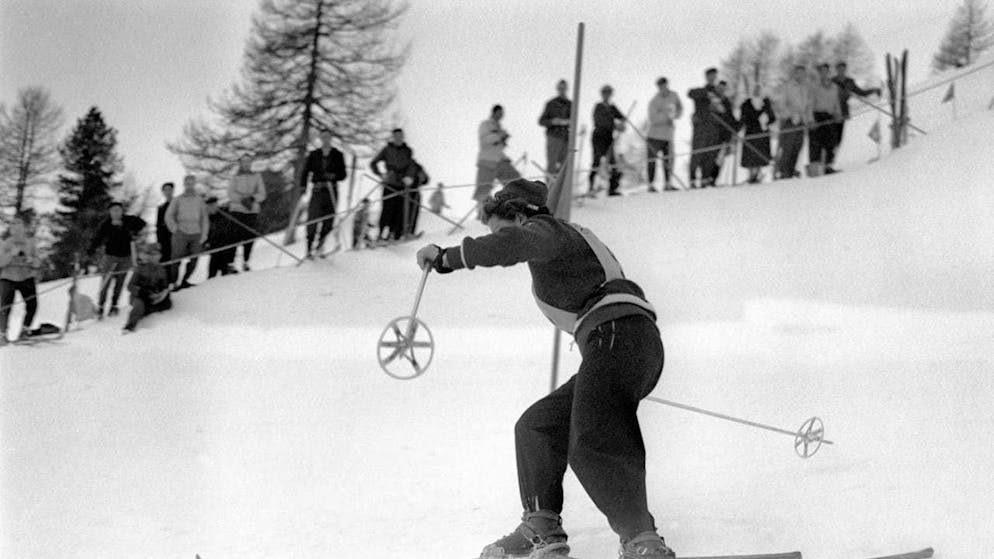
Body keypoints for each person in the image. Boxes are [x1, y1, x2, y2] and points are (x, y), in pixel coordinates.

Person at [414, 178, 673, 559]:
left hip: (618, 337)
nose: (500, 239)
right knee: (538, 424)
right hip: (621, 345)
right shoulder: (561, 239)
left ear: (519, 216)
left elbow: (517, 243)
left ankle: (641, 540)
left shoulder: (546, 230)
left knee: (593, 438)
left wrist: (448, 257)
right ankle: (541, 526)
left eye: (500, 229)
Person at [89, 201, 146, 317]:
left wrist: (133, 230)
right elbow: (97, 238)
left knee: (120, 283)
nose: (116, 213)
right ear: (110, 212)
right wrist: (91, 249)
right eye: (113, 210)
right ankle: (101, 306)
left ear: (121, 211)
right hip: (110, 256)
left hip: (126, 257)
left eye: (118, 210)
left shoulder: (128, 220)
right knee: (106, 282)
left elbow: (142, 223)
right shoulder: (106, 224)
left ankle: (114, 305)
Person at [301, 129, 347, 256]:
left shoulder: (338, 155)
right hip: (317, 191)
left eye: (328, 137)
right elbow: (305, 172)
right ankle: (309, 248)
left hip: (331, 191)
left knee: (328, 221)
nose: (325, 139)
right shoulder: (314, 154)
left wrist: (334, 176)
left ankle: (320, 246)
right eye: (323, 137)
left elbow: (343, 175)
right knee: (312, 220)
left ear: (331, 138)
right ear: (320, 139)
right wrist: (303, 187)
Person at [0, 215, 42, 344]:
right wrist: (10, 255)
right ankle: (2, 334)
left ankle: (25, 329)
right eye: (14, 228)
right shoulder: (5, 244)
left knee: (32, 304)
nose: (17, 231)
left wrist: (31, 260)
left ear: (23, 229)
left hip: (26, 277)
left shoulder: (30, 243)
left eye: (19, 228)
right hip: (9, 277)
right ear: (11, 230)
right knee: (5, 307)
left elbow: (38, 262)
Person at [475, 105, 522, 218]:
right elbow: (485, 140)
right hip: (487, 161)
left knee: (515, 181)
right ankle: (481, 215)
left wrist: (503, 138)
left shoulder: (499, 127)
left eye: (502, 113)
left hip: (500, 160)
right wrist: (500, 135)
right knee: (484, 189)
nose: (501, 115)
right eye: (499, 113)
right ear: (494, 112)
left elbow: (498, 144)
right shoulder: (485, 124)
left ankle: (513, 207)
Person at [164, 174, 209, 289]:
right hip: (181, 232)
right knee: (176, 259)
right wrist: (175, 229)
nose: (189, 186)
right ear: (184, 185)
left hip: (196, 233)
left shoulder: (199, 200)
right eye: (187, 184)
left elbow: (204, 219)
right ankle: (174, 283)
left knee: (195, 258)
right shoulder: (177, 200)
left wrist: (204, 234)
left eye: (192, 184)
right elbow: (168, 216)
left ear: (194, 184)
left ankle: (185, 280)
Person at [832, 61, 882, 164]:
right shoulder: (832, 81)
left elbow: (861, 92)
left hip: (843, 111)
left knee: (838, 138)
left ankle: (830, 163)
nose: (841, 71)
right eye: (839, 69)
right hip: (832, 112)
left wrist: (874, 90)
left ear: (845, 70)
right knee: (830, 138)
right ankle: (826, 163)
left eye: (843, 69)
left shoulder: (850, 82)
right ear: (836, 70)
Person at [371, 128, 416, 241]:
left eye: (400, 135)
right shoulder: (387, 149)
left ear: (403, 136)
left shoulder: (407, 151)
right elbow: (374, 162)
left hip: (402, 185)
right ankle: (381, 233)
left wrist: (409, 177)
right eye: (396, 136)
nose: (398, 138)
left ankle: (392, 233)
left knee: (399, 211)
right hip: (389, 183)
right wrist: (380, 174)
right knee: (387, 209)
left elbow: (411, 166)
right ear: (393, 137)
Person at [227, 153, 267, 271]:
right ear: (240, 163)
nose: (246, 164)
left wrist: (253, 198)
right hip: (237, 210)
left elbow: (262, 193)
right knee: (234, 236)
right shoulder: (234, 177)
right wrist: (242, 200)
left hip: (252, 210)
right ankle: (231, 263)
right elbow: (230, 193)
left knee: (250, 236)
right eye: (244, 161)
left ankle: (246, 261)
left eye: (249, 162)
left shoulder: (257, 176)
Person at [122, 242, 172, 333]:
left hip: (153, 296)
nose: (155, 257)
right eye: (152, 254)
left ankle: (148, 310)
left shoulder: (162, 270)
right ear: (148, 256)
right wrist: (141, 291)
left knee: (167, 304)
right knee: (139, 305)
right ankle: (129, 326)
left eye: (156, 254)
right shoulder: (140, 268)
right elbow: (130, 286)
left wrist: (162, 292)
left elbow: (165, 285)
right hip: (138, 295)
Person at [687, 68, 724, 187]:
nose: (712, 78)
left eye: (714, 75)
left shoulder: (719, 94)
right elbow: (690, 93)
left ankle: (705, 178)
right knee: (697, 154)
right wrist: (706, 93)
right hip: (701, 128)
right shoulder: (700, 91)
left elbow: (723, 109)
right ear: (706, 77)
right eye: (710, 75)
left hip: (713, 128)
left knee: (710, 155)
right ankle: (692, 180)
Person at [646, 76, 683, 192]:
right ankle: (651, 185)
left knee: (669, 159)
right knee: (652, 160)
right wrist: (666, 116)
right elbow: (653, 118)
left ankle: (668, 183)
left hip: (668, 135)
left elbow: (680, 108)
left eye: (664, 84)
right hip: (654, 136)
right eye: (660, 85)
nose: (662, 87)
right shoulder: (654, 101)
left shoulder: (674, 95)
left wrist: (676, 115)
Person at [776, 65, 812, 180]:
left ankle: (791, 170)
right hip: (789, 121)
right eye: (798, 73)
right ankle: (783, 172)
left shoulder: (806, 87)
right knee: (787, 148)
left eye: (803, 73)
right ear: (794, 74)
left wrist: (809, 119)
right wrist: (791, 114)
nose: (801, 75)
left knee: (798, 147)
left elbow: (808, 106)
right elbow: (781, 104)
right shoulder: (787, 87)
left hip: (801, 121)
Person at [589, 85, 626, 196]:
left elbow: (622, 117)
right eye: (605, 93)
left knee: (613, 162)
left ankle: (612, 188)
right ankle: (591, 187)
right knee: (596, 161)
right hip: (598, 137)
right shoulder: (598, 107)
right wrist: (615, 125)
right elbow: (600, 121)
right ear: (602, 94)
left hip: (609, 138)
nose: (607, 95)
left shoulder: (612, 107)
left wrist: (622, 123)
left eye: (609, 93)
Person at [739, 84, 777, 184]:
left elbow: (773, 118)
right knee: (751, 155)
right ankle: (751, 174)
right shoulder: (746, 103)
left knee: (760, 155)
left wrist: (766, 120)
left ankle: (758, 174)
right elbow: (743, 119)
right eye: (755, 89)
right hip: (751, 133)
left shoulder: (765, 103)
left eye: (758, 90)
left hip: (762, 133)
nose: (757, 91)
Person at [809, 63, 843, 174]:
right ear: (819, 73)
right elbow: (810, 104)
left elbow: (836, 102)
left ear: (828, 72)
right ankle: (814, 170)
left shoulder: (833, 86)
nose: (824, 73)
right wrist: (810, 119)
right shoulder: (814, 86)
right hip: (817, 115)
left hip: (829, 116)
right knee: (816, 143)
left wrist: (838, 114)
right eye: (821, 71)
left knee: (831, 142)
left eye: (826, 71)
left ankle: (828, 167)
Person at [538, 79, 572, 176]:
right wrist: (553, 121)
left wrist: (568, 122)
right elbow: (541, 121)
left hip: (566, 138)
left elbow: (574, 120)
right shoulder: (551, 104)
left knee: (565, 165)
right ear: (558, 89)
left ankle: (562, 189)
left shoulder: (570, 104)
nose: (562, 90)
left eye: (564, 88)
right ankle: (549, 188)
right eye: (560, 88)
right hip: (554, 137)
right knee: (552, 165)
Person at [711, 80, 741, 185]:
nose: (721, 90)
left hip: (725, 134)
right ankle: (709, 178)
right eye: (719, 88)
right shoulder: (713, 99)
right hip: (715, 133)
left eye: (723, 88)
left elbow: (730, 117)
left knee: (721, 157)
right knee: (713, 156)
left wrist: (738, 125)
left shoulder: (727, 101)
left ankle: (715, 178)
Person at [205, 197, 238, 278]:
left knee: (224, 271)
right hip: (214, 246)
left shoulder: (224, 214)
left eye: (214, 204)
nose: (212, 207)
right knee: (212, 272)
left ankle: (227, 271)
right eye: (210, 205)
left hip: (225, 245)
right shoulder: (206, 218)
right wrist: (206, 241)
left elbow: (229, 229)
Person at [156, 182, 175, 281]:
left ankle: (175, 281)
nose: (168, 192)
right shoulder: (161, 208)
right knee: (165, 259)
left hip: (177, 235)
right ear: (163, 192)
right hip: (165, 238)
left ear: (173, 190)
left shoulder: (178, 204)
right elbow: (158, 225)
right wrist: (159, 241)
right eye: (165, 190)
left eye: (169, 189)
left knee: (176, 259)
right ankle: (167, 281)